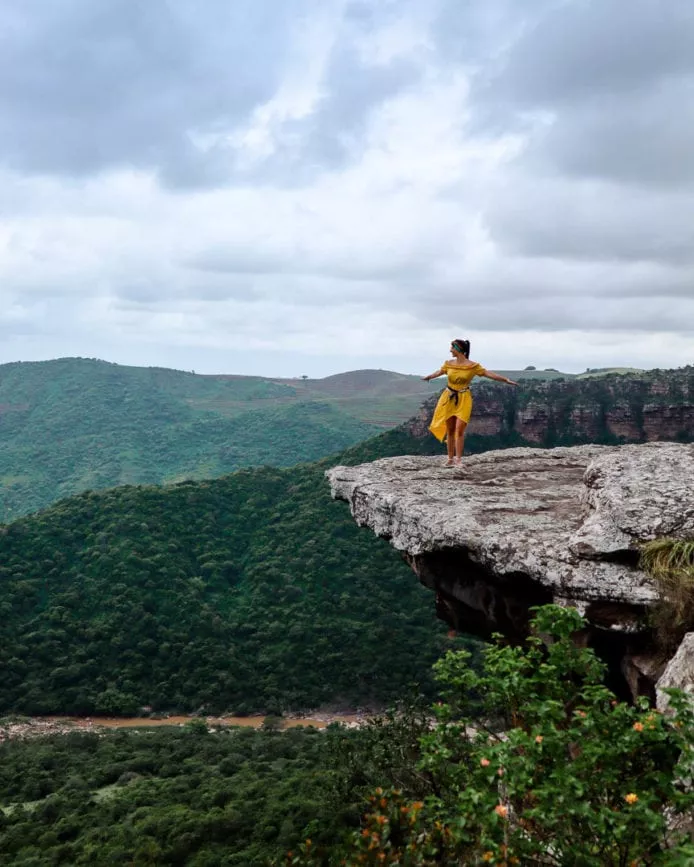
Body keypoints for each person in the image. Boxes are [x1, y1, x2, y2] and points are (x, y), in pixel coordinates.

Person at [421, 339, 518, 466]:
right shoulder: (448, 364)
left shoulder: (473, 366)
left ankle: (459, 459)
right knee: (450, 430)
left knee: (459, 430)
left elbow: (489, 374)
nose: (450, 350)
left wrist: (505, 380)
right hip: (448, 397)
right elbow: (439, 372)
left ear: (459, 349)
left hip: (464, 398)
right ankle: (450, 459)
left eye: (452, 348)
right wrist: (429, 377)